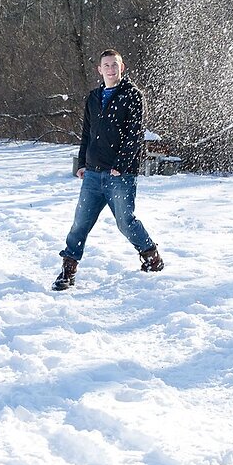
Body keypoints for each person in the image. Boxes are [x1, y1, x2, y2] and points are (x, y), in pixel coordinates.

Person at [51, 49, 165, 291]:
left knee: (125, 222)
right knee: (80, 223)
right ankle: (68, 270)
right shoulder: (93, 97)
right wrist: (82, 163)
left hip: (120, 175)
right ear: (99, 70)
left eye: (115, 65)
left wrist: (121, 164)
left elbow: (134, 134)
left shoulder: (132, 95)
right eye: (106, 65)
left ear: (121, 68)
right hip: (92, 174)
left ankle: (151, 257)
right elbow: (86, 133)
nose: (111, 69)